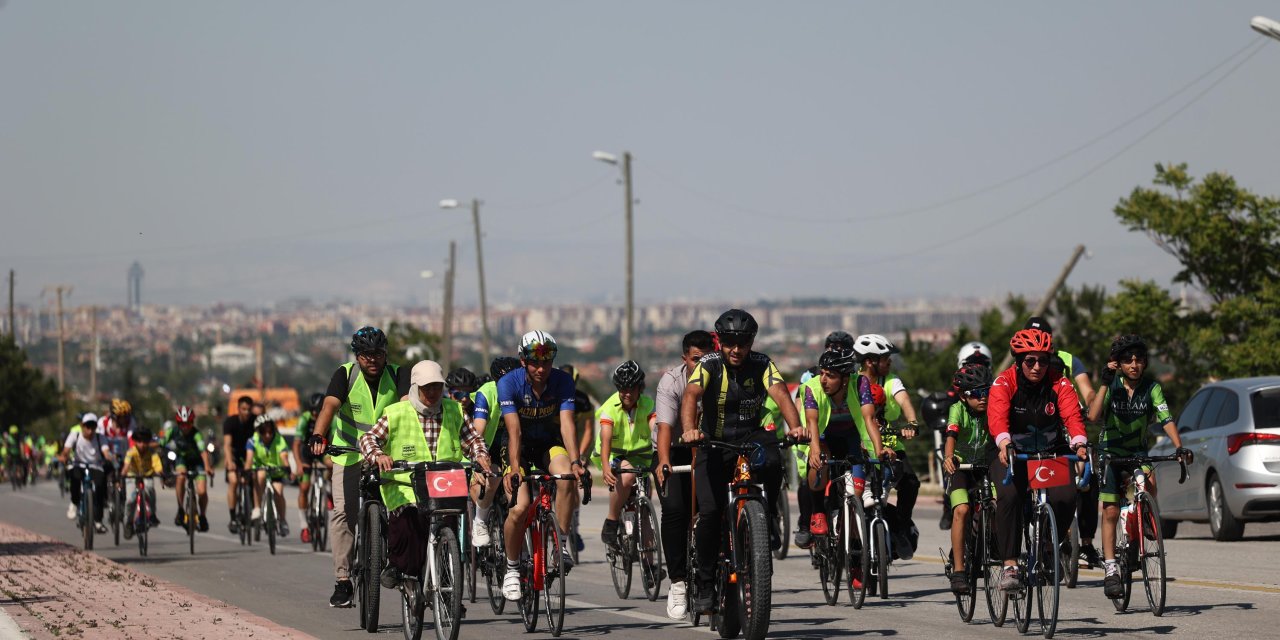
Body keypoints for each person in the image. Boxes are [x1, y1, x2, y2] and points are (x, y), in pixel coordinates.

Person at [681, 309, 806, 613]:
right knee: (710, 514)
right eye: (728, 343)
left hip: (751, 438)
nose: (736, 350)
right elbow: (691, 395)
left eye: (743, 343)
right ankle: (706, 583)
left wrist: (795, 427)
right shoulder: (709, 364)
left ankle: (769, 519)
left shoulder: (763, 363)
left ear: (752, 342)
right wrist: (689, 430)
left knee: (774, 460)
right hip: (713, 442)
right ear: (719, 342)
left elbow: (780, 394)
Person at [358, 360, 492, 588]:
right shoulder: (397, 412)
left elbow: (473, 439)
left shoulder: (454, 410)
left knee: (447, 524)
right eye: (426, 387)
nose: (432, 392)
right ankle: (406, 573)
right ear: (415, 387)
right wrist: (379, 455)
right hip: (405, 484)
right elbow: (368, 438)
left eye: (436, 387)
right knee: (409, 529)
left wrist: (480, 455)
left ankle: (448, 588)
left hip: (444, 482)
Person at [307, 326, 410, 608]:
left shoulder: (399, 374)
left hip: (386, 454)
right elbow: (329, 406)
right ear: (357, 356)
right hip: (349, 453)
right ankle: (343, 580)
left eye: (377, 354)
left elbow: (406, 406)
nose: (372, 360)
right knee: (342, 513)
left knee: (405, 508)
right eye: (365, 355)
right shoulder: (346, 374)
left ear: (385, 354)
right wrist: (319, 435)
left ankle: (398, 563)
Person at [1086, 334, 1192, 599]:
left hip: (1137, 452)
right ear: (1118, 363)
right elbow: (1093, 416)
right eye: (1127, 360)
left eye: (1139, 359)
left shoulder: (1152, 388)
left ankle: (1142, 521)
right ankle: (1111, 569)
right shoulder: (1112, 385)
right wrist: (1103, 384)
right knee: (1110, 510)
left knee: (1149, 483)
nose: (1134, 364)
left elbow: (1165, 418)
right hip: (1111, 453)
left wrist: (1178, 446)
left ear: (1145, 362)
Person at [987, 328, 1089, 592]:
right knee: (1009, 496)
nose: (1037, 367)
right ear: (1019, 361)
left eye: (1043, 361)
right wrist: (1004, 442)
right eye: (1030, 361)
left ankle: (1046, 544)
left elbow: (1073, 417)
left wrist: (1079, 443)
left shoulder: (1060, 383)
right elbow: (997, 417)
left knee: (1067, 497)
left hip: (1050, 451)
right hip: (1011, 453)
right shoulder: (1004, 382)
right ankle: (1010, 563)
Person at [498, 331, 586, 601]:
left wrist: (576, 461)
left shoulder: (563, 381)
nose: (541, 369)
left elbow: (568, 424)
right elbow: (514, 432)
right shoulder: (508, 383)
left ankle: (560, 543)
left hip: (547, 442)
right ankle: (512, 568)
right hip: (518, 448)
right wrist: (514, 469)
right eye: (534, 363)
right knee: (520, 507)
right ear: (523, 361)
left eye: (546, 362)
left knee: (567, 477)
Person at [798, 346, 883, 589]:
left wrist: (880, 452)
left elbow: (869, 420)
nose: (823, 379)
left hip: (850, 438)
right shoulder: (812, 388)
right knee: (819, 463)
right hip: (823, 437)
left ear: (845, 379)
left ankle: (855, 560)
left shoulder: (860, 385)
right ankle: (817, 512)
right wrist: (814, 450)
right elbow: (812, 422)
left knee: (856, 498)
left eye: (831, 375)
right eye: (822, 373)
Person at [1023, 316, 1102, 568]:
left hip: (1069, 425)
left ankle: (1086, 543)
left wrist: (1091, 405)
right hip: (1040, 428)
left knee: (1088, 476)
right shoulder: (1024, 363)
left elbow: (1086, 389)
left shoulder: (1069, 360)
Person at [654, 329, 713, 619]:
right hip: (674, 449)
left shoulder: (720, 374)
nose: (701, 366)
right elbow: (665, 426)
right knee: (675, 509)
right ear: (684, 359)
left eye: (707, 359)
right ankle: (677, 581)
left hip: (708, 448)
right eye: (695, 360)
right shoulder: (671, 382)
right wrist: (664, 460)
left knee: (712, 508)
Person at [852, 333, 922, 559]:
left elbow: (904, 400)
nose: (890, 362)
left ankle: (900, 526)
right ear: (870, 361)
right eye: (885, 358)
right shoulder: (852, 383)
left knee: (910, 482)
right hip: (858, 449)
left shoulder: (891, 381)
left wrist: (911, 422)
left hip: (891, 447)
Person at [594, 361, 657, 548]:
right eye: (622, 389)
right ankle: (612, 521)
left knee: (645, 510)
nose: (627, 394)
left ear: (640, 388)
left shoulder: (648, 404)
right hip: (613, 454)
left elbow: (656, 430)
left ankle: (650, 565)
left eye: (631, 389)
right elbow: (605, 438)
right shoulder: (610, 407)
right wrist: (606, 466)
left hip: (640, 456)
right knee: (627, 475)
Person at [941, 363, 992, 594]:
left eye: (987, 392)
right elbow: (951, 434)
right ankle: (959, 571)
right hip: (961, 466)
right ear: (963, 396)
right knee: (961, 510)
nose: (983, 398)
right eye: (977, 394)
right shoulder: (957, 409)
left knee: (1000, 504)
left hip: (985, 466)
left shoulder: (992, 408)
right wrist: (949, 457)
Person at [468, 356, 521, 549]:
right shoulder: (486, 393)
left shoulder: (524, 391)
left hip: (513, 446)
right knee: (491, 480)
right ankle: (480, 520)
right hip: (489, 447)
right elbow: (478, 430)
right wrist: (477, 459)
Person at [61, 413, 113, 532]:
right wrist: (64, 456)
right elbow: (67, 449)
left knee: (100, 487)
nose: (90, 430)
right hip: (79, 464)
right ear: (82, 426)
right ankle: (74, 502)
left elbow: (106, 452)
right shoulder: (75, 435)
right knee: (74, 478)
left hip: (96, 466)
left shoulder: (101, 437)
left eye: (92, 427)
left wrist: (111, 457)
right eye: (87, 427)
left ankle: (98, 521)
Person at [164, 406, 212, 531]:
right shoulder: (172, 431)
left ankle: (202, 516)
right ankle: (180, 509)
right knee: (180, 477)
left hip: (197, 462)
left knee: (202, 491)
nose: (185, 427)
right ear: (178, 423)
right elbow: (161, 442)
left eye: (188, 424)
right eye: (182, 424)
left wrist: (207, 467)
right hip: (182, 460)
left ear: (192, 423)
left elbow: (203, 451)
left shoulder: (196, 434)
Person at [246, 416, 295, 537]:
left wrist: (288, 469)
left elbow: (284, 456)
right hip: (260, 469)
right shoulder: (253, 440)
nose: (267, 435)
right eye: (263, 432)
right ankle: (257, 508)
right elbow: (249, 458)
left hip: (276, 471)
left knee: (278, 492)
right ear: (258, 431)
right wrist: (247, 470)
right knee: (260, 475)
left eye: (270, 431)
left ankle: (282, 520)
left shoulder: (279, 439)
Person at [292, 392, 328, 544]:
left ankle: (330, 492)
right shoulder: (304, 418)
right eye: (312, 411)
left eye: (317, 410)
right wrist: (299, 464)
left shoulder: (328, 417)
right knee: (304, 487)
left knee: (332, 464)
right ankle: (304, 526)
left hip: (323, 450)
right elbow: (296, 444)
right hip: (307, 452)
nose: (314, 414)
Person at [121, 427, 169, 539]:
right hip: (132, 476)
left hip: (147, 475)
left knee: (150, 490)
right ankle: (128, 523)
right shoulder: (131, 452)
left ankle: (152, 514)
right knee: (130, 500)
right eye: (139, 441)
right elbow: (126, 466)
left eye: (145, 442)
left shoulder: (152, 453)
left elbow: (157, 467)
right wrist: (122, 475)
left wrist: (161, 474)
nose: (142, 444)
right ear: (135, 442)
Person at [223, 395, 255, 534]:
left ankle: (254, 510)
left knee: (253, 479)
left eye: (249, 409)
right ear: (238, 409)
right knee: (234, 481)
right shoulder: (230, 422)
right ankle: (232, 517)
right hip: (234, 456)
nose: (246, 412)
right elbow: (227, 445)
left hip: (250, 455)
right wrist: (230, 462)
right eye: (243, 409)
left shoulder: (255, 421)